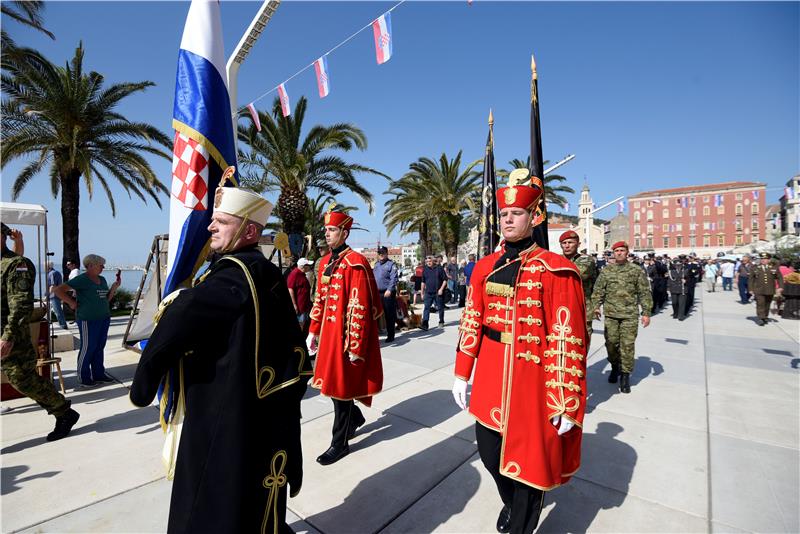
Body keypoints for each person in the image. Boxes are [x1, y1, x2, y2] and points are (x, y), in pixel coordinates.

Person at [130, 186, 311, 533]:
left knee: (216, 501)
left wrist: (145, 379)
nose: (210, 227)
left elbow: (180, 315)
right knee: (256, 497)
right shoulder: (267, 272)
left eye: (222, 221)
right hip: (268, 411)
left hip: (226, 415)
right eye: (213, 220)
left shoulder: (232, 276)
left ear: (250, 231)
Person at [452, 169, 587, 534]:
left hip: (533, 382)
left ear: (534, 217)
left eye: (516, 213)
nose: (508, 219)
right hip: (491, 376)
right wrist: (462, 373)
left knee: (529, 466)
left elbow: (568, 339)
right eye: (504, 214)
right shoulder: (483, 267)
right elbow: (472, 320)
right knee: (490, 455)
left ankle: (521, 523)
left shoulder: (557, 270)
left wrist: (567, 401)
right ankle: (510, 502)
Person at [307, 208, 383, 465]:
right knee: (331, 388)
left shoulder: (356, 263)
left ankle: (339, 444)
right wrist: (313, 330)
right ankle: (355, 417)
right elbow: (320, 298)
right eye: (326, 230)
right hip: (328, 337)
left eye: (331, 230)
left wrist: (356, 345)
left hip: (344, 339)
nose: (326, 234)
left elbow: (359, 306)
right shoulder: (326, 262)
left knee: (340, 391)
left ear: (344, 232)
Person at [1, 223, 80, 440]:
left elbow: (20, 305)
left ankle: (64, 411)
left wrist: (7, 336)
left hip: (10, 335)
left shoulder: (17, 264)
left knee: (22, 379)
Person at [591, 241, 652, 394]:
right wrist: (596, 306)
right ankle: (614, 366)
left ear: (627, 252)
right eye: (616, 250)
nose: (619, 253)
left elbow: (644, 292)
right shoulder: (606, 271)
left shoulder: (636, 270)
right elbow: (598, 290)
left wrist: (646, 313)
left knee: (627, 345)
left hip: (629, 315)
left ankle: (625, 376)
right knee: (611, 343)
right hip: (611, 314)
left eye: (622, 250)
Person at [54, 254, 120, 387]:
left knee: (99, 347)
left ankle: (99, 374)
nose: (103, 267)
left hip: (103, 318)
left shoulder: (102, 280)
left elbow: (105, 299)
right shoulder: (81, 279)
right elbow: (58, 290)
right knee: (88, 347)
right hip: (87, 319)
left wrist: (114, 287)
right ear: (90, 266)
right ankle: (83, 377)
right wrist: (71, 303)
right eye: (100, 265)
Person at [559, 230, 598, 348]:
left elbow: (578, 273)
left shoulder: (586, 260)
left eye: (570, 242)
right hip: (561, 307)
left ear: (578, 244)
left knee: (581, 344)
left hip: (582, 307)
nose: (567, 245)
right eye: (564, 243)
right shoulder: (556, 259)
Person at [373, 246, 399, 343]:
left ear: (387, 254)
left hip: (387, 293)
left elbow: (394, 278)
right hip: (377, 293)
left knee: (389, 315)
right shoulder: (376, 265)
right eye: (379, 253)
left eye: (383, 253)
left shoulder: (391, 265)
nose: (381, 255)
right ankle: (376, 334)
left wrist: (389, 289)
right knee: (376, 314)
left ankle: (390, 335)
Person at [749, 252, 783, 326]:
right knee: (760, 303)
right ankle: (761, 318)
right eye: (762, 259)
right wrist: (751, 289)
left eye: (765, 259)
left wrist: (780, 287)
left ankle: (765, 316)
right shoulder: (755, 267)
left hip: (770, 289)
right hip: (758, 289)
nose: (763, 260)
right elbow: (751, 279)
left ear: (769, 260)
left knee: (767, 304)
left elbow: (780, 278)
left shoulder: (774, 267)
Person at [288, 257, 314, 333]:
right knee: (300, 324)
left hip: (303, 305)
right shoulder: (295, 274)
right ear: (303, 267)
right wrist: (294, 304)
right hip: (299, 306)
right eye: (308, 265)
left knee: (302, 324)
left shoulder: (301, 274)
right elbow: (290, 289)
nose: (309, 267)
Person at [420, 255, 447, 330]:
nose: (428, 263)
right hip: (428, 293)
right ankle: (425, 324)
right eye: (427, 262)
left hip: (438, 292)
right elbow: (423, 282)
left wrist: (441, 289)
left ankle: (441, 321)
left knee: (440, 307)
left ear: (433, 261)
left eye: (429, 261)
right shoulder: (425, 270)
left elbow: (445, 280)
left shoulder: (439, 269)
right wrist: (422, 293)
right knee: (426, 308)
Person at [47, 261, 68, 329]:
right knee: (57, 310)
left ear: (48, 266)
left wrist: (47, 295)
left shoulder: (53, 273)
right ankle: (62, 324)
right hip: (55, 294)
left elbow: (53, 285)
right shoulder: (52, 273)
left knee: (58, 310)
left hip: (54, 294)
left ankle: (63, 325)